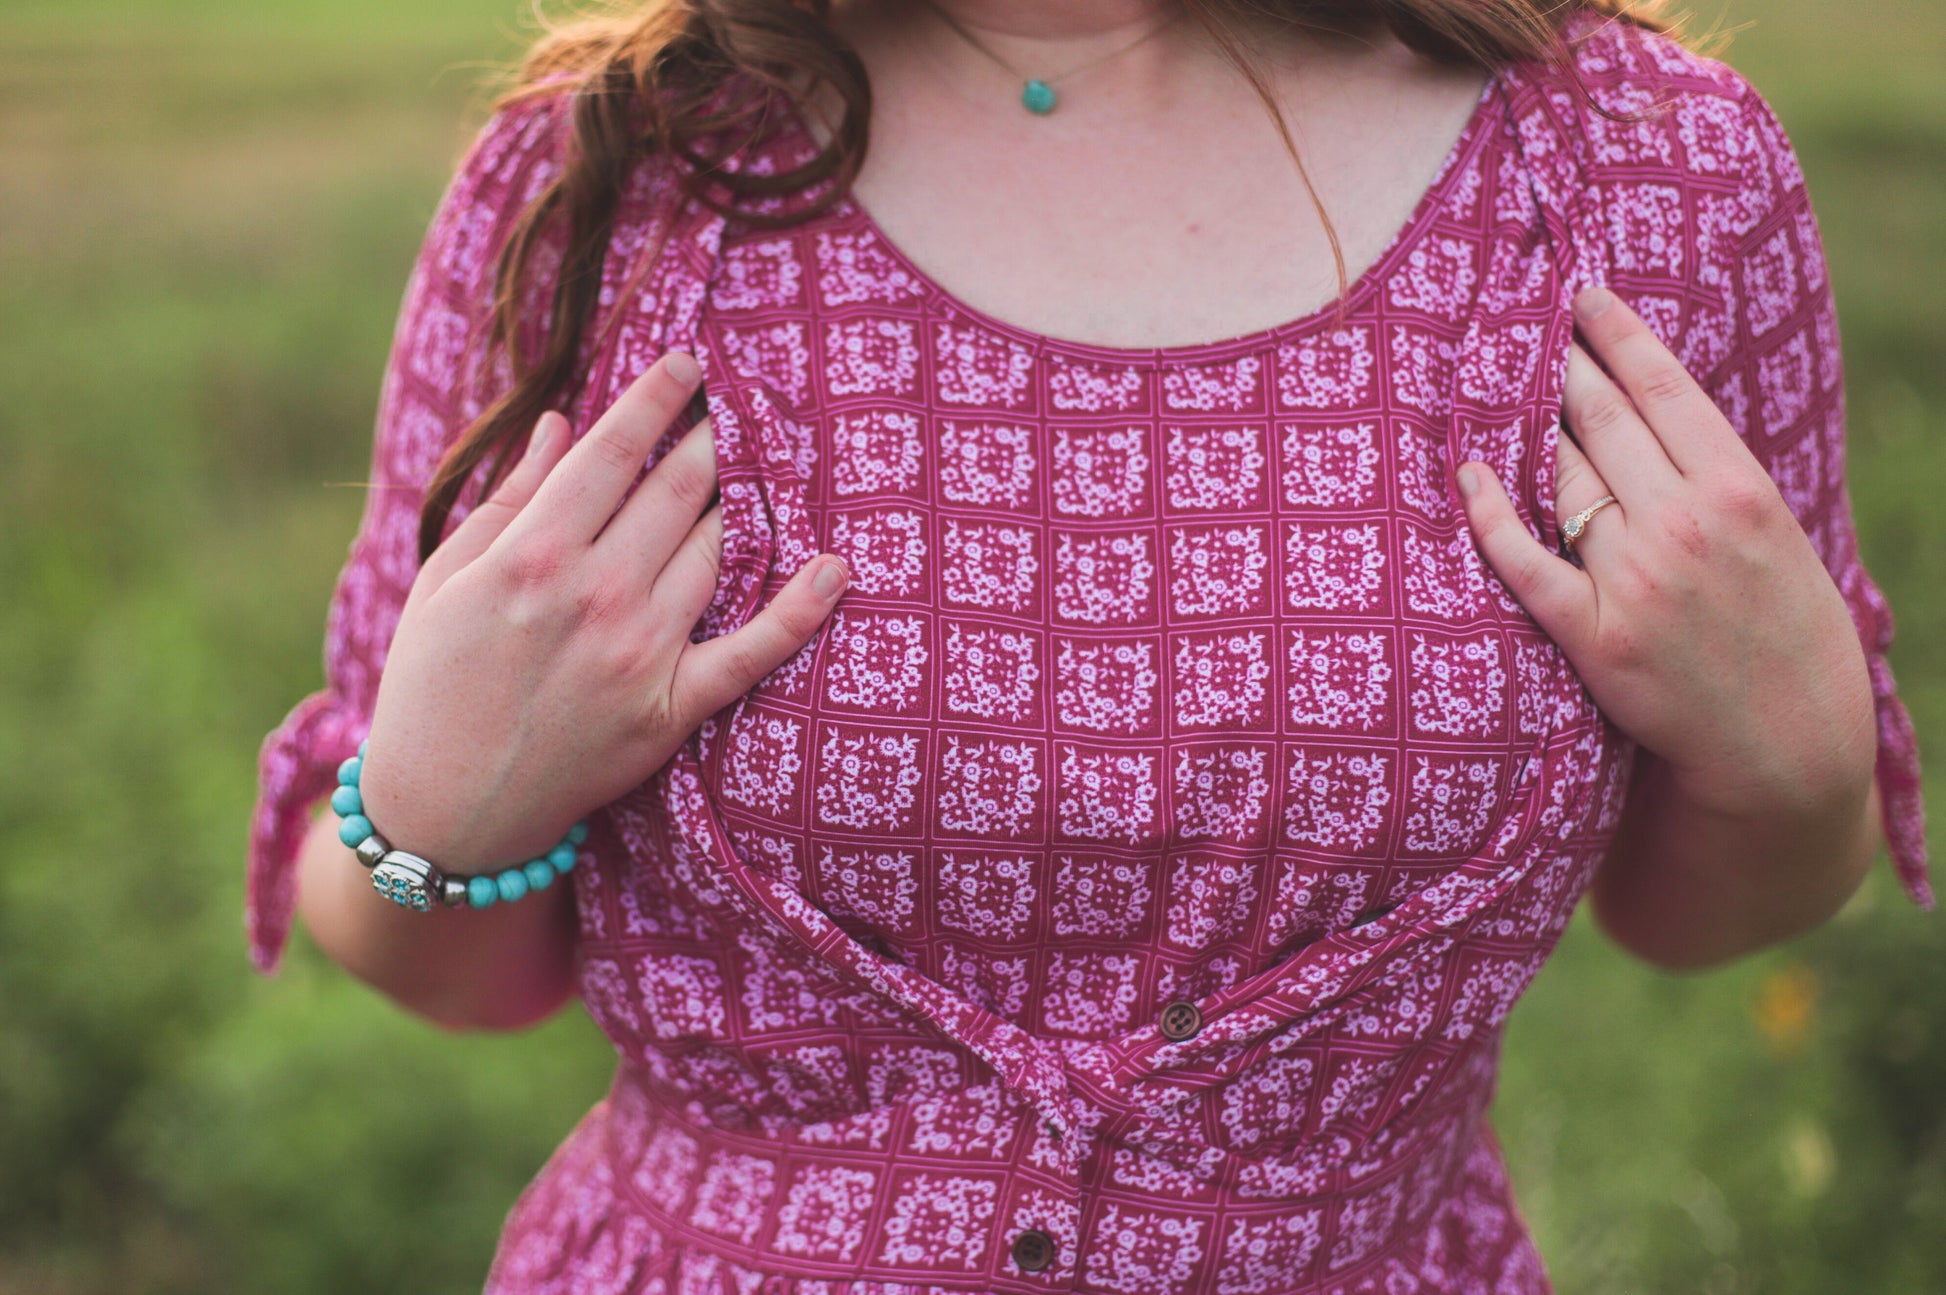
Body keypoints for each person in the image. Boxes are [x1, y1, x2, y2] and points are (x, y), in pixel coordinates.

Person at [245, 0, 1932, 1290]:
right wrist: (428, 817)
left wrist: (1794, 765)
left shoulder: (1646, 175)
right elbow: (454, 968)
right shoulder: (609, 182)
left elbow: (1698, 914)